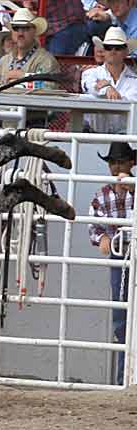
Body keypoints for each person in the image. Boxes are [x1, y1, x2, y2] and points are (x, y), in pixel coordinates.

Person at [88, 142, 135, 385]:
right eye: (112, 162)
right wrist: (102, 237)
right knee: (120, 316)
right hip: (119, 255)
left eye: (121, 161)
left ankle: (124, 379)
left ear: (131, 163)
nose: (116, 166)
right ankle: (121, 379)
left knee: (124, 315)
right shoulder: (102, 194)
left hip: (128, 254)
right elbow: (93, 225)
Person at [0, 8, 60, 90]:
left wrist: (22, 77)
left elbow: (50, 88)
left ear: (34, 31)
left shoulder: (46, 60)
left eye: (25, 28)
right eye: (16, 28)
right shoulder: (4, 61)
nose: (20, 33)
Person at [84, 27, 137, 133]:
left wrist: (104, 87)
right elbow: (90, 87)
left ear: (125, 52)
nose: (113, 51)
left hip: (124, 139)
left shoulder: (135, 80)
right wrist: (107, 89)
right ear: (103, 50)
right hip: (93, 135)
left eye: (118, 48)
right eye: (109, 47)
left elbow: (131, 102)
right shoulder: (90, 73)